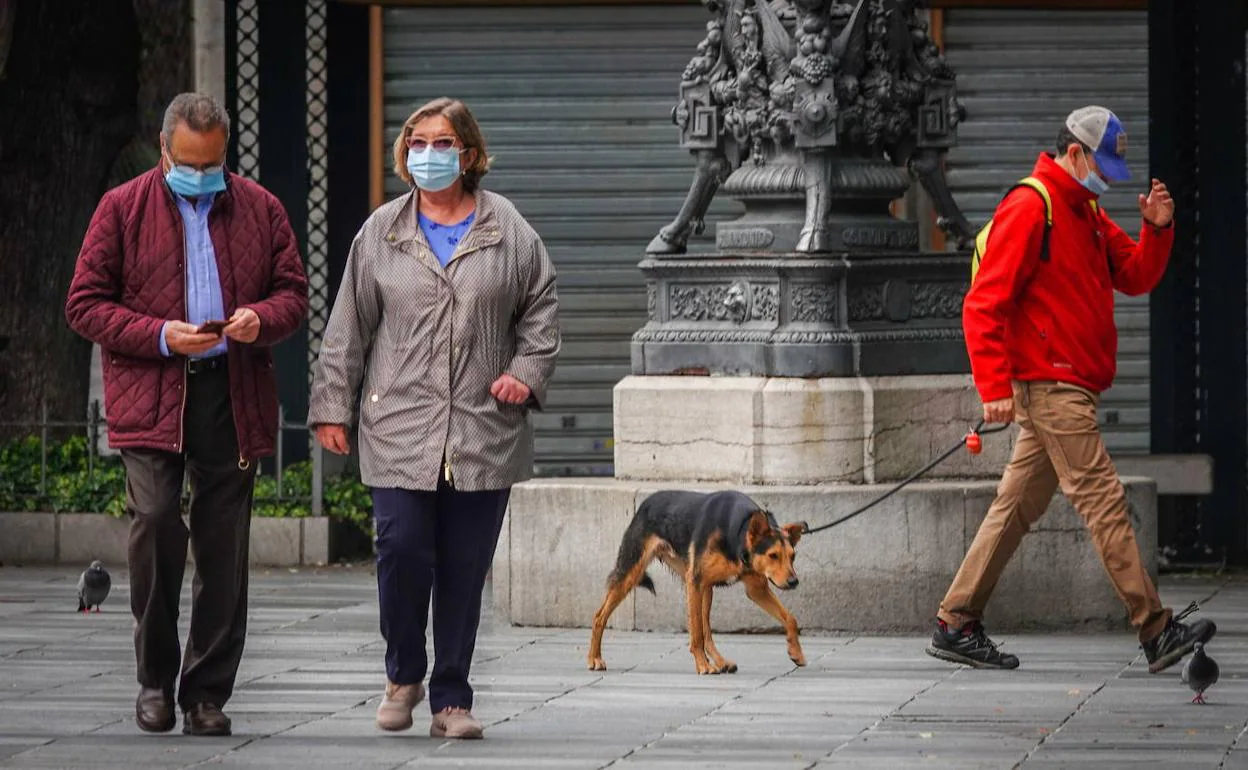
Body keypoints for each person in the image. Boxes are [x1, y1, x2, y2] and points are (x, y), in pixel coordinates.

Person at [928, 106, 1215, 672]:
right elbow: (982, 302)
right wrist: (993, 385)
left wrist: (1156, 228)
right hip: (1053, 385)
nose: (1108, 177)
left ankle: (955, 621)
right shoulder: (1031, 205)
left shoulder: (1086, 211)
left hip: (1069, 384)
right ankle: (1155, 630)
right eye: (1102, 164)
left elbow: (1134, 276)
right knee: (1104, 502)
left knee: (1014, 508)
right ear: (1075, 152)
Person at [308, 97, 560, 739]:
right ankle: (403, 673)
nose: (427, 153)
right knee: (400, 549)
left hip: (483, 428)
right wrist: (332, 405)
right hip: (398, 425)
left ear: (469, 153)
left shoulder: (510, 232)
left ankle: (451, 699)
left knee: (463, 569)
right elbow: (347, 327)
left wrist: (524, 375)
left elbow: (542, 317)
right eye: (417, 141)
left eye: (441, 142)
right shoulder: (382, 233)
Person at [65, 93, 309, 736]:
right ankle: (154, 681)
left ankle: (205, 694)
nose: (202, 176)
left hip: (231, 393)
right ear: (165, 149)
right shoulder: (121, 208)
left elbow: (294, 295)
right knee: (155, 523)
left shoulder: (260, 207)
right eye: (190, 163)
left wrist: (262, 319)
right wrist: (161, 335)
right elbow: (84, 305)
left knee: (223, 547)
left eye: (214, 164)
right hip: (151, 391)